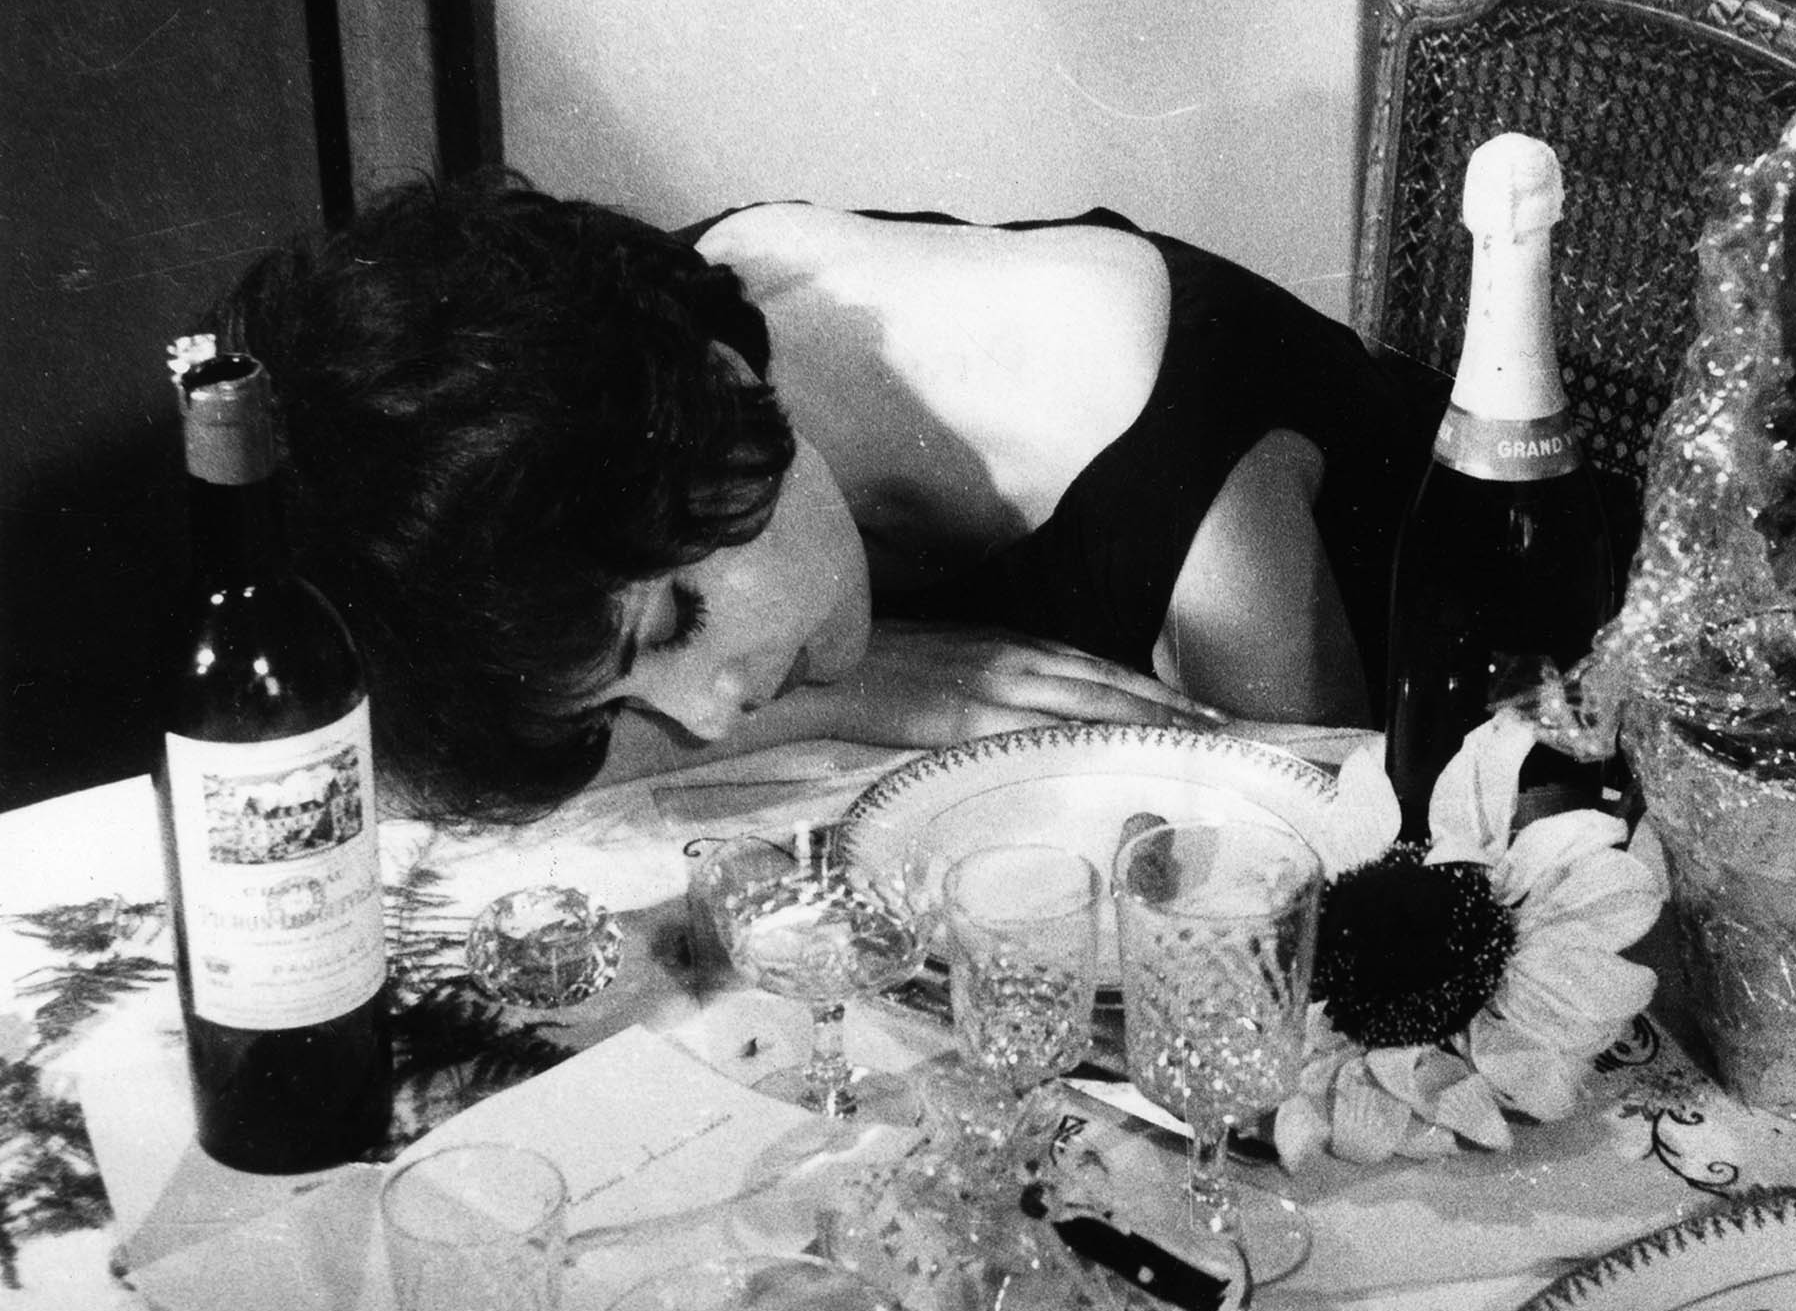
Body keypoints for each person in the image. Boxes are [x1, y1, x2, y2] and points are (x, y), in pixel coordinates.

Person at [211, 172, 1430, 823]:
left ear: (724, 393)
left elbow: (1306, 864)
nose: (705, 715)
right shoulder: (620, 369)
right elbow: (378, 763)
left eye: (674, 623)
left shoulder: (1191, 493)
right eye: (623, 703)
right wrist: (873, 689)